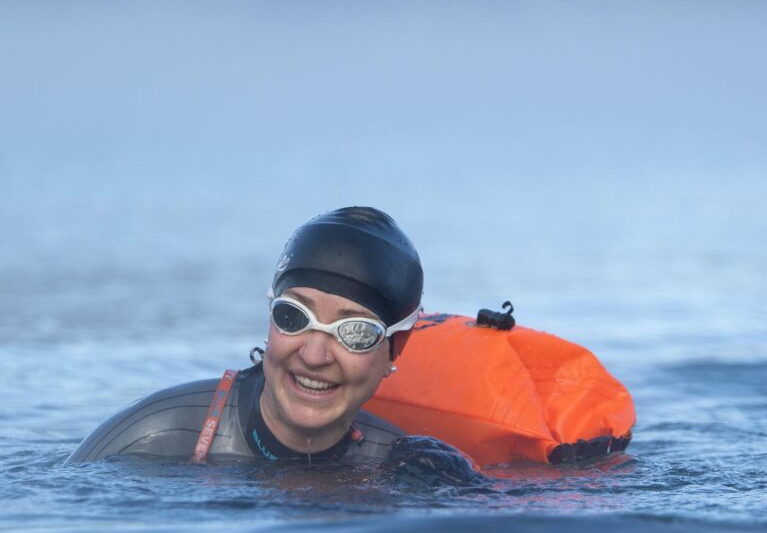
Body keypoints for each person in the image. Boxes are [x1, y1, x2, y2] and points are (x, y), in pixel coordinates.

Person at [69, 206, 488, 488]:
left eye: (354, 332)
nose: (314, 355)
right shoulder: (151, 436)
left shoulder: (401, 466)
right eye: (294, 317)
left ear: (393, 351)